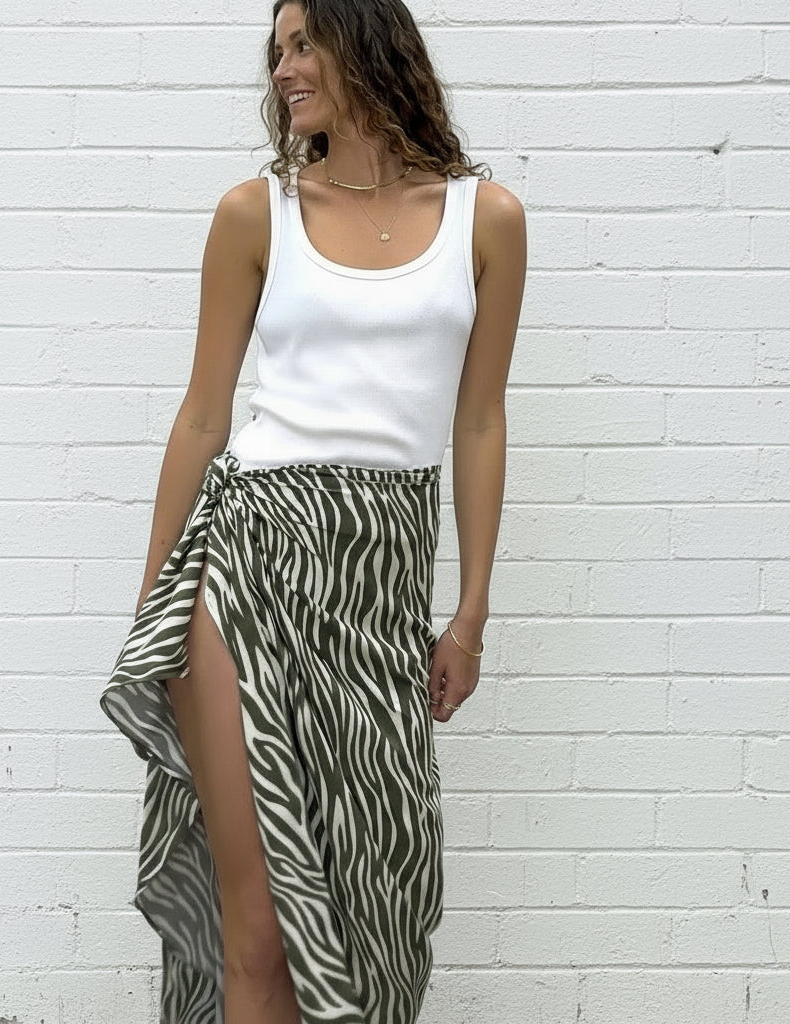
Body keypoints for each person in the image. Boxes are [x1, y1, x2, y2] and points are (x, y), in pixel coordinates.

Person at [100, 1, 526, 1022]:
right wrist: (154, 605)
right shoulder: (259, 212)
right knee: (260, 931)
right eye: (277, 51)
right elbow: (205, 415)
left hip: (380, 585)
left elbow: (477, 422)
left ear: (366, 42)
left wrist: (468, 612)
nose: (284, 69)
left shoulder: (487, 221)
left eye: (302, 44)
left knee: (378, 895)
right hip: (246, 563)